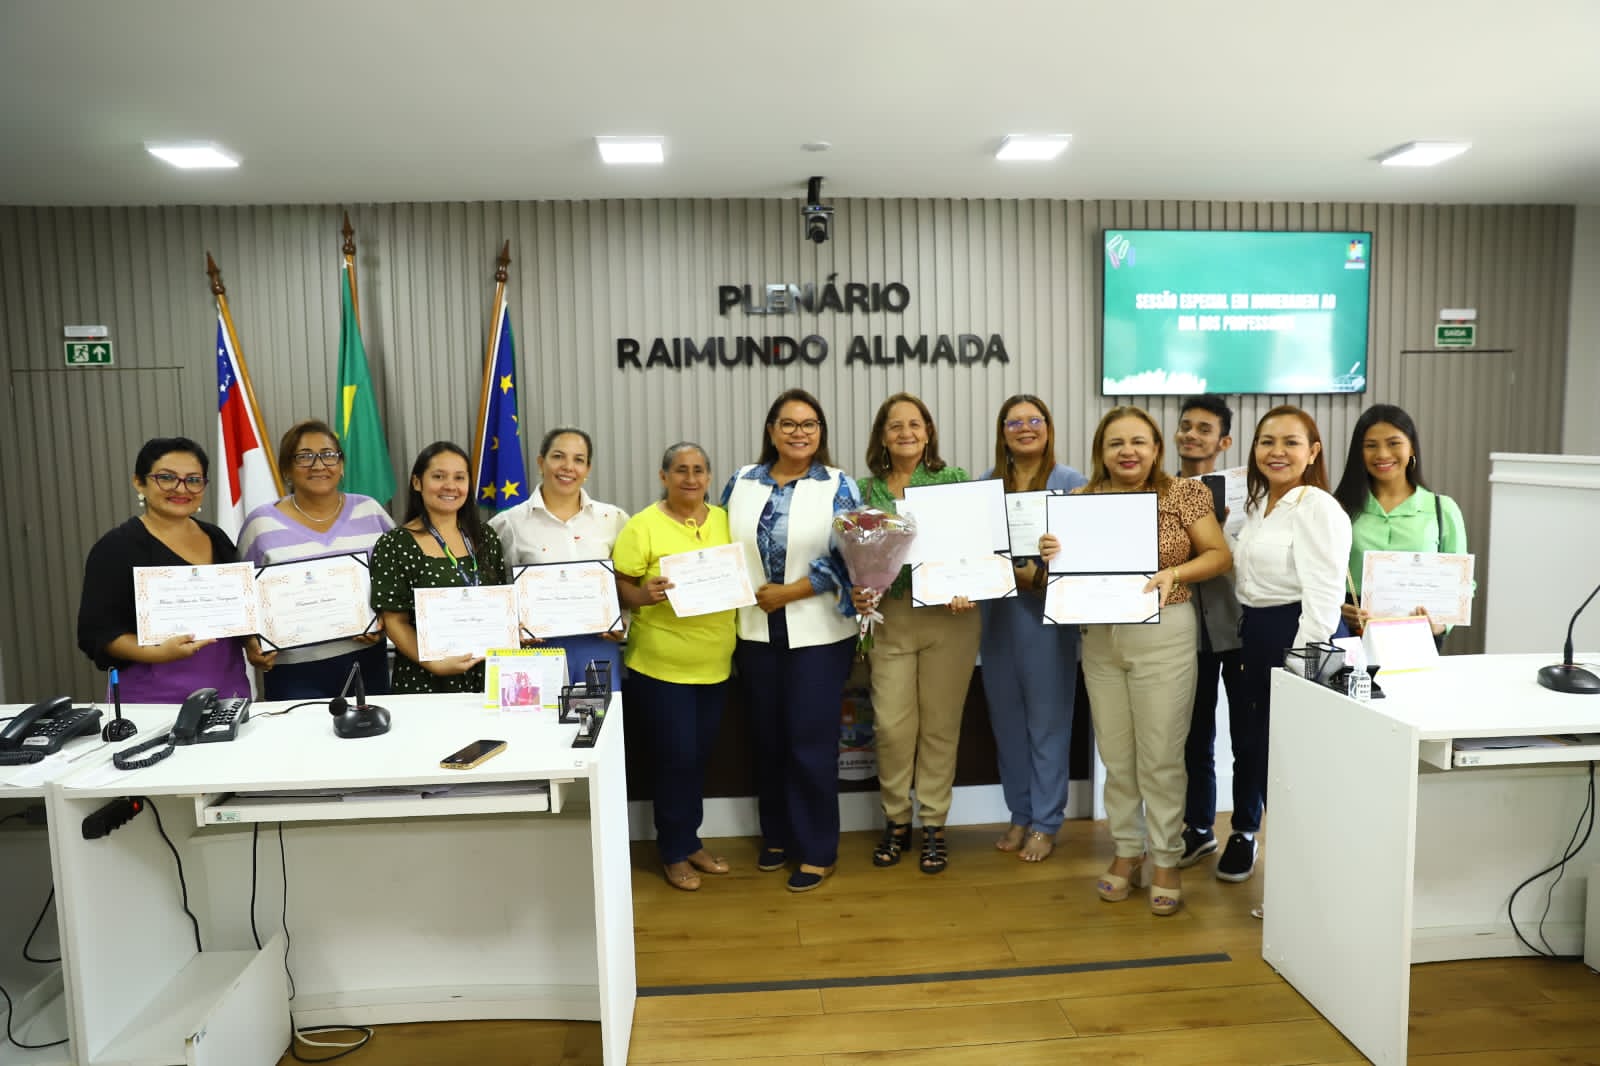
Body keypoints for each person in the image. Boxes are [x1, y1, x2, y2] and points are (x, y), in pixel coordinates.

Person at [1041, 406, 1231, 915]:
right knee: (1117, 757)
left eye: (1139, 442)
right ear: (1100, 451)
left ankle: (1166, 858)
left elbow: (1219, 555)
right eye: (1116, 443)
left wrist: (1179, 573)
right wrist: (1050, 550)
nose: (1128, 451)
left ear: (1156, 449)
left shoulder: (1183, 493)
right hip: (1100, 638)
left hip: (1164, 632)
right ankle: (1128, 851)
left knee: (1162, 757)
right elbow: (1060, 568)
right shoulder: (1079, 501)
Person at [721, 388, 860, 893]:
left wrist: (791, 592)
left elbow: (852, 555)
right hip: (753, 632)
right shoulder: (740, 481)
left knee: (809, 744)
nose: (799, 432)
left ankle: (817, 849)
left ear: (821, 432)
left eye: (810, 424)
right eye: (789, 423)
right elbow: (719, 547)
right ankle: (777, 835)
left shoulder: (839, 485)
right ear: (771, 430)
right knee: (767, 741)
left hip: (818, 633)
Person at [851, 393, 980, 875]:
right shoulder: (864, 491)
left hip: (951, 618)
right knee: (891, 727)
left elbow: (975, 548)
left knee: (941, 727)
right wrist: (858, 590)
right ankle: (896, 820)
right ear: (881, 436)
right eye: (894, 425)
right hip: (891, 618)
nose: (905, 432)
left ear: (928, 431)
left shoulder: (955, 482)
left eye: (914, 424)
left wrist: (967, 585)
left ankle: (933, 825)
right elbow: (849, 557)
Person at [1226, 404, 1351, 883]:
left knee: (1294, 754)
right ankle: (1263, 850)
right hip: (1256, 635)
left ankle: (1303, 876)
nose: (1276, 452)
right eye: (1266, 441)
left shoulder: (1318, 507)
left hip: (1299, 638)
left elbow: (1323, 599)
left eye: (1290, 442)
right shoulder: (1258, 506)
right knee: (1257, 744)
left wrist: (1304, 671)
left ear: (1313, 451)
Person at [612, 442, 737, 892]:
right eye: (680, 470)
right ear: (664, 476)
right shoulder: (642, 525)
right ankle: (672, 851)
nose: (690, 478)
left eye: (699, 470)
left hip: (715, 665)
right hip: (661, 667)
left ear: (708, 477)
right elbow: (620, 581)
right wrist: (644, 595)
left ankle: (691, 840)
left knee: (698, 760)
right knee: (673, 760)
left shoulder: (725, 520)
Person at [977, 394, 1087, 863]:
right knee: (1007, 723)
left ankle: (1045, 821)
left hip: (1047, 620)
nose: (1025, 428)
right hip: (997, 617)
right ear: (1002, 431)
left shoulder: (1072, 484)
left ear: (1048, 427)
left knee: (1047, 723)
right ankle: (1019, 813)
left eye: (1034, 420)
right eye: (1014, 421)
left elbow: (1085, 557)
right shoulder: (983, 487)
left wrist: (1041, 571)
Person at [77, 437, 269, 703]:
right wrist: (157, 654)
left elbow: (239, 608)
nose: (182, 489)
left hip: (228, 691)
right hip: (153, 699)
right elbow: (97, 633)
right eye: (166, 478)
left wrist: (251, 644)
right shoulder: (115, 548)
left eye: (193, 479)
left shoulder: (216, 537)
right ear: (139, 482)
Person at [236, 420, 395, 699]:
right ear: (286, 468)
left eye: (328, 454)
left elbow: (398, 582)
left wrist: (384, 619)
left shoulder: (370, 512)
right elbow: (241, 597)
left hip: (367, 660)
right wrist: (250, 641)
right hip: (294, 670)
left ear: (341, 465)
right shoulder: (261, 524)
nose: (319, 464)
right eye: (304, 456)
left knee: (370, 742)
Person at [1171, 395, 1251, 869]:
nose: (1191, 435)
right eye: (1185, 426)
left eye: (1203, 429)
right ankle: (1198, 827)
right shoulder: (1160, 492)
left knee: (1245, 737)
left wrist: (1222, 533)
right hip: (1184, 634)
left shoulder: (1249, 495)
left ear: (1223, 441)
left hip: (1239, 627)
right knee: (1192, 737)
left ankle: (1244, 831)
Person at [490, 427, 629, 687]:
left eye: (579, 460)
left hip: (597, 648)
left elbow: (630, 578)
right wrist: (511, 627)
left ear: (587, 469)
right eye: (558, 456)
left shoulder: (614, 520)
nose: (568, 467)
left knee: (595, 725)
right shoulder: (508, 523)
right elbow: (492, 587)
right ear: (541, 462)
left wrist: (624, 621)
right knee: (536, 726)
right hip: (535, 651)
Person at [370, 442, 508, 695]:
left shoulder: (486, 537)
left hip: (488, 674)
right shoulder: (395, 544)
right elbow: (394, 620)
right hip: (425, 678)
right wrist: (435, 664)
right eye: (438, 476)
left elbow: (501, 604)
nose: (450, 486)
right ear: (417, 482)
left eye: (459, 477)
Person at [1333, 404, 1468, 642]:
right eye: (1370, 446)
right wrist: (1337, 610)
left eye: (1394, 443)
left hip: (1418, 634)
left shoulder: (1442, 509)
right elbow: (1320, 574)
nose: (1383, 454)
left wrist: (1440, 625)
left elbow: (1463, 583)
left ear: (1412, 447)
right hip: (1353, 633)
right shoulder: (1338, 508)